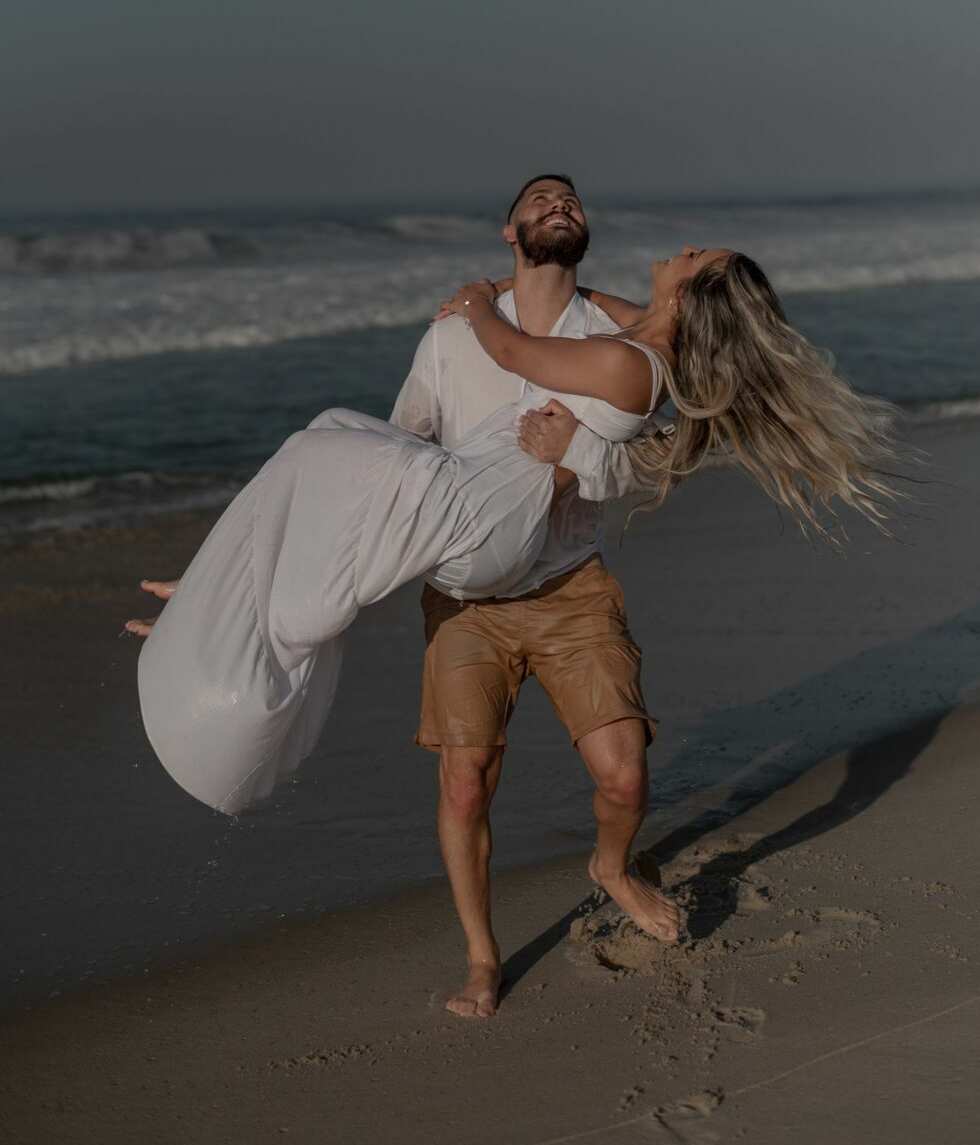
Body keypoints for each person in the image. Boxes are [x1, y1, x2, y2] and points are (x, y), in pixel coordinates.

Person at [130, 176, 901, 1018]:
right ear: (510, 230)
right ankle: (480, 958)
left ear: (686, 289)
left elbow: (633, 453)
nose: (561, 203)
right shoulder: (532, 337)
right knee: (336, 447)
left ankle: (611, 866)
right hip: (468, 589)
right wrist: (483, 307)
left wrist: (528, 383)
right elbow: (405, 445)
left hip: (561, 580)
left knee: (624, 779)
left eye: (569, 199)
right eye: (542, 198)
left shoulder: (600, 343)